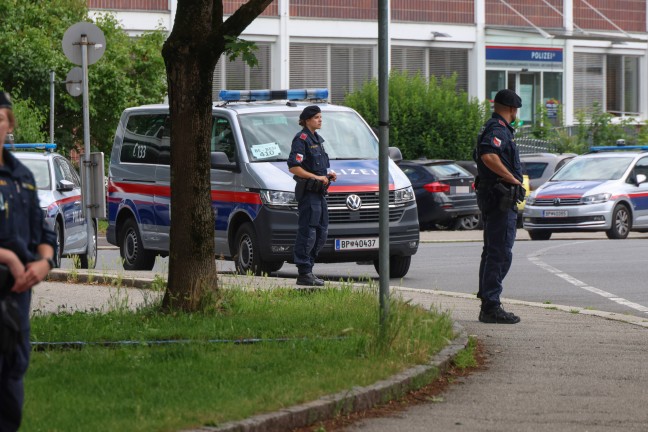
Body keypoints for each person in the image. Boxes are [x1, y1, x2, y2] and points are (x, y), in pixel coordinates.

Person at [0, 91, 56, 430]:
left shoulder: (22, 176)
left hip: (16, 298)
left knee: (10, 389)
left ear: (9, 125)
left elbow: (43, 232)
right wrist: (7, 256)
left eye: (0, 120)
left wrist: (44, 262)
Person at [473, 89, 525, 324]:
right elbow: (488, 155)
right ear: (512, 110)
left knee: (492, 251)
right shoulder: (498, 130)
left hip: (494, 198)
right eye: (516, 111)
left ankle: (488, 301)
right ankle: (491, 306)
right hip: (500, 199)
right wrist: (512, 179)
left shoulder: (492, 127)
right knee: (500, 253)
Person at [287, 105, 337, 286]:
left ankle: (310, 269)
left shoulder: (318, 140)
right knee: (308, 232)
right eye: (316, 117)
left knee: (321, 233)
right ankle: (304, 272)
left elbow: (319, 167)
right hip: (308, 193)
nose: (320, 120)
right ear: (307, 120)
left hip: (319, 193)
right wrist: (315, 177)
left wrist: (328, 175)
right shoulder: (301, 139)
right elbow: (294, 166)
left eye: (320, 117)